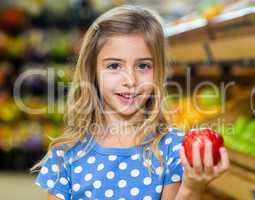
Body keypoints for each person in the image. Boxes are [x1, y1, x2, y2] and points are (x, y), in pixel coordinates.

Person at [32, 5, 229, 200]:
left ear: (159, 71)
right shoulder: (67, 153)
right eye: (114, 65)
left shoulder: (172, 148)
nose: (130, 80)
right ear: (91, 71)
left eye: (143, 66)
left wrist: (192, 188)